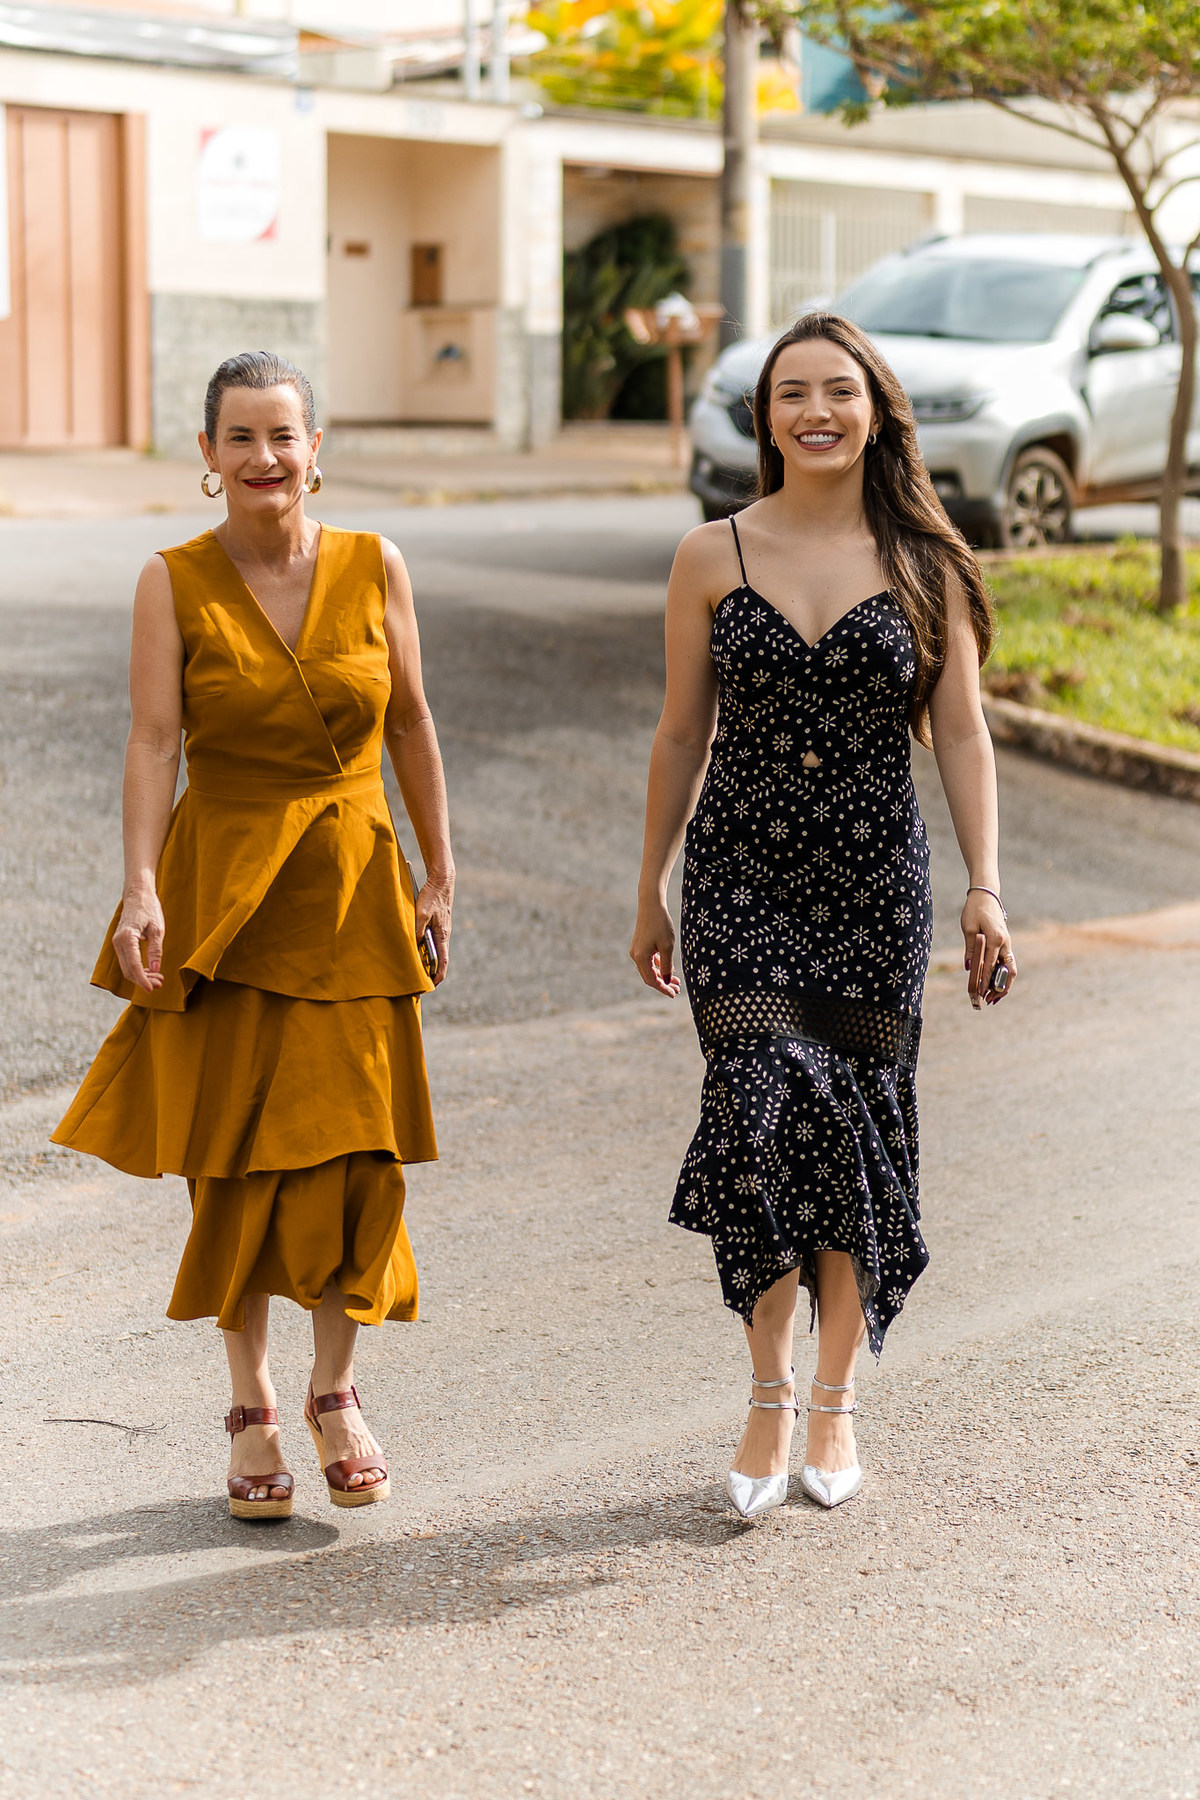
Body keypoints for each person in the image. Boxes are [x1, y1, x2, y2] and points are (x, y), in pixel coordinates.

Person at [53, 351, 454, 1520]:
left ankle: (336, 1389)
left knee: (356, 1153)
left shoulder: (377, 564)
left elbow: (412, 722)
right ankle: (252, 1403)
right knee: (234, 1158)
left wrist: (440, 872)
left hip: (352, 889)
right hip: (223, 893)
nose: (265, 457)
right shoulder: (171, 580)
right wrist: (140, 888)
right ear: (208, 455)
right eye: (241, 437)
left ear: (316, 449)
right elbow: (151, 741)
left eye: (284, 435)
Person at [630, 313, 1015, 1518]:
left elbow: (962, 732)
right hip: (738, 878)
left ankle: (835, 1401)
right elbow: (681, 732)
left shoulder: (927, 562)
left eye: (838, 390)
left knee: (852, 1135)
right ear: (765, 418)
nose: (815, 411)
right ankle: (768, 1392)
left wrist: (985, 886)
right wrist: (650, 884)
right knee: (759, 1109)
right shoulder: (710, 554)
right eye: (790, 392)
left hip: (872, 890)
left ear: (876, 411)